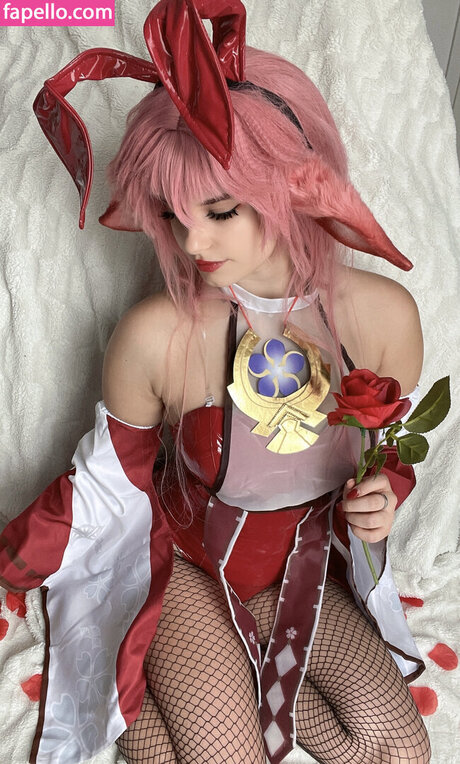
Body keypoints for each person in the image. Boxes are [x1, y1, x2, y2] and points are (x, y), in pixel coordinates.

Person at [0, 1, 431, 763]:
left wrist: (382, 496)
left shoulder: (384, 317)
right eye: (170, 214)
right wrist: (18, 558)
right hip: (185, 565)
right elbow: (110, 488)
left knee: (399, 751)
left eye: (221, 210)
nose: (192, 241)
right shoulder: (153, 335)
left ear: (296, 185)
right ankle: (148, 686)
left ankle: (218, 679)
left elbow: (383, 452)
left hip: (299, 565)